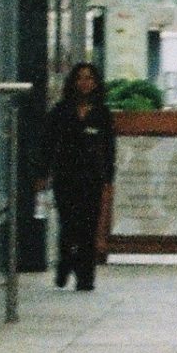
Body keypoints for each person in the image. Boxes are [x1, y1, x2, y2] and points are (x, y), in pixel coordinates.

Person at [38, 62, 115, 291]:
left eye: (89, 78)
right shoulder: (60, 111)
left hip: (92, 177)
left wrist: (108, 178)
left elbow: (109, 148)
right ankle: (65, 262)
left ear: (96, 83)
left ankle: (85, 277)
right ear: (73, 82)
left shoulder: (102, 113)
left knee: (88, 227)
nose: (85, 82)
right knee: (68, 224)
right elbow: (47, 144)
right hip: (65, 175)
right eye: (80, 78)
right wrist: (42, 173)